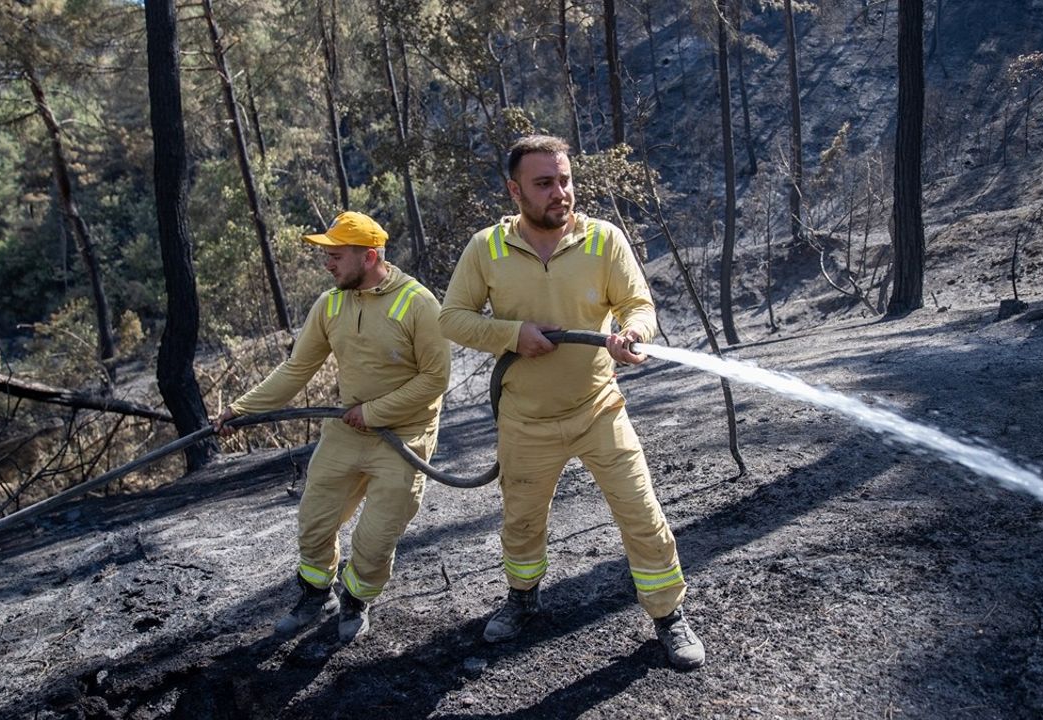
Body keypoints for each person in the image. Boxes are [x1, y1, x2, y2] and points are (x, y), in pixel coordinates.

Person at [438, 135, 705, 670]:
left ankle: (669, 616)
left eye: (565, 180)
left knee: (642, 514)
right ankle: (523, 599)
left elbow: (638, 303)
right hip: (525, 421)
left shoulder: (603, 239)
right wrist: (513, 335)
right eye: (544, 183)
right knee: (521, 522)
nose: (560, 192)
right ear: (515, 191)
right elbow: (453, 317)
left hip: (599, 409)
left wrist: (633, 332)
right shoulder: (485, 248)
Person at [214, 211, 450, 643]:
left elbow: (435, 379)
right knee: (315, 522)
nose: (327, 264)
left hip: (404, 438)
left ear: (370, 257)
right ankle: (316, 593)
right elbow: (296, 368)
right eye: (327, 256)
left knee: (376, 538)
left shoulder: (419, 304)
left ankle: (357, 599)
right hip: (346, 431)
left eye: (336, 256)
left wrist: (375, 412)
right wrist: (242, 409)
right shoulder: (331, 304)